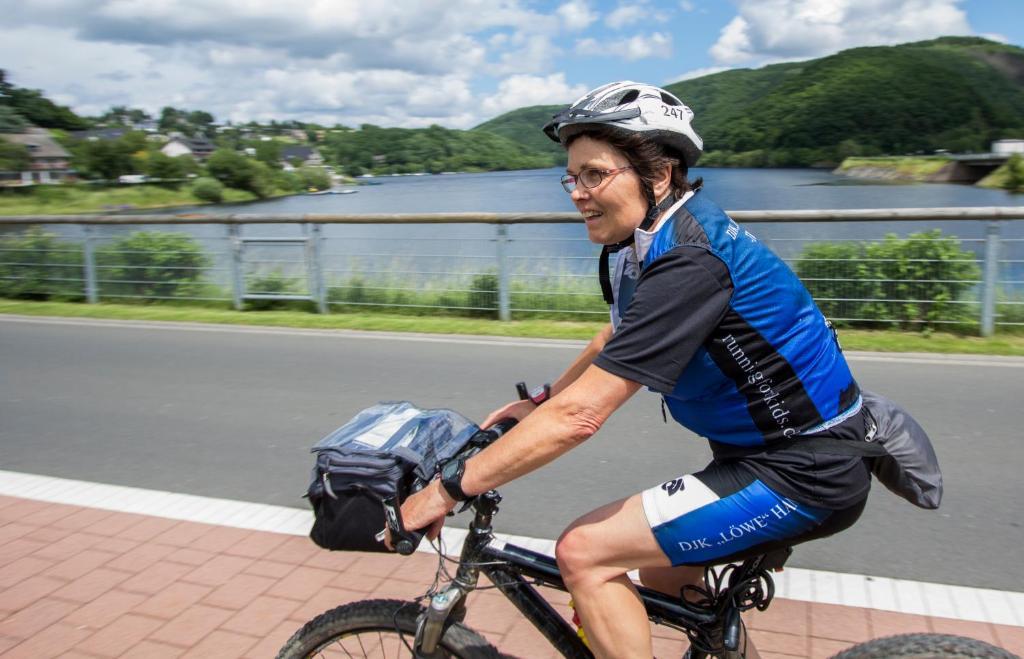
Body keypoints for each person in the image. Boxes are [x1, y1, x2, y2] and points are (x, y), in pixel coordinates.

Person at [393, 81, 872, 659]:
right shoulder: (650, 238)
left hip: (801, 472)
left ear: (661, 174)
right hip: (765, 456)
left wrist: (444, 491)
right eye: (571, 177)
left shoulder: (690, 260)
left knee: (584, 552)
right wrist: (538, 401)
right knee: (665, 574)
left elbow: (583, 416)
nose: (577, 192)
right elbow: (615, 337)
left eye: (594, 174)